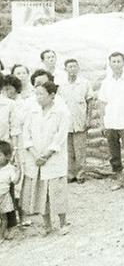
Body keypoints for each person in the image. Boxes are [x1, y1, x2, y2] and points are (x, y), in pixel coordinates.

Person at [20, 81, 71, 235]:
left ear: (52, 95)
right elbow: (26, 134)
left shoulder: (61, 112)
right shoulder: (32, 112)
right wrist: (36, 154)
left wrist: (47, 154)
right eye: (36, 94)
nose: (38, 97)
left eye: (41, 94)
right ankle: (47, 224)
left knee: (57, 191)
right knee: (41, 192)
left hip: (54, 159)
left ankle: (62, 223)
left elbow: (60, 136)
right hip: (36, 159)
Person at [98, 52, 124, 192]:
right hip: (111, 123)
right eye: (113, 62)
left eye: (119, 61)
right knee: (114, 154)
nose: (116, 64)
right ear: (110, 64)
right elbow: (102, 103)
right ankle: (119, 178)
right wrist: (102, 122)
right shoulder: (106, 82)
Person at [59, 59, 95, 184]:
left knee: (80, 150)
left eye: (75, 66)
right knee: (68, 150)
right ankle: (70, 174)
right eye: (70, 67)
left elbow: (90, 102)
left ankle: (80, 174)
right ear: (66, 69)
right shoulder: (62, 85)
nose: (72, 69)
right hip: (65, 122)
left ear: (78, 68)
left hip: (80, 120)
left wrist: (88, 118)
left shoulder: (84, 83)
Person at [0, 76, 22, 229]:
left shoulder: (9, 105)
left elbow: (14, 130)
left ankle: (11, 222)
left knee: (7, 185)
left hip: (4, 149)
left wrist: (14, 151)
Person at [0, 140, 19, 240]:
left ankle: (2, 234)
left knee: (4, 218)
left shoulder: (9, 169)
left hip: (4, 196)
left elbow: (15, 181)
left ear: (7, 157)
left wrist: (19, 170)